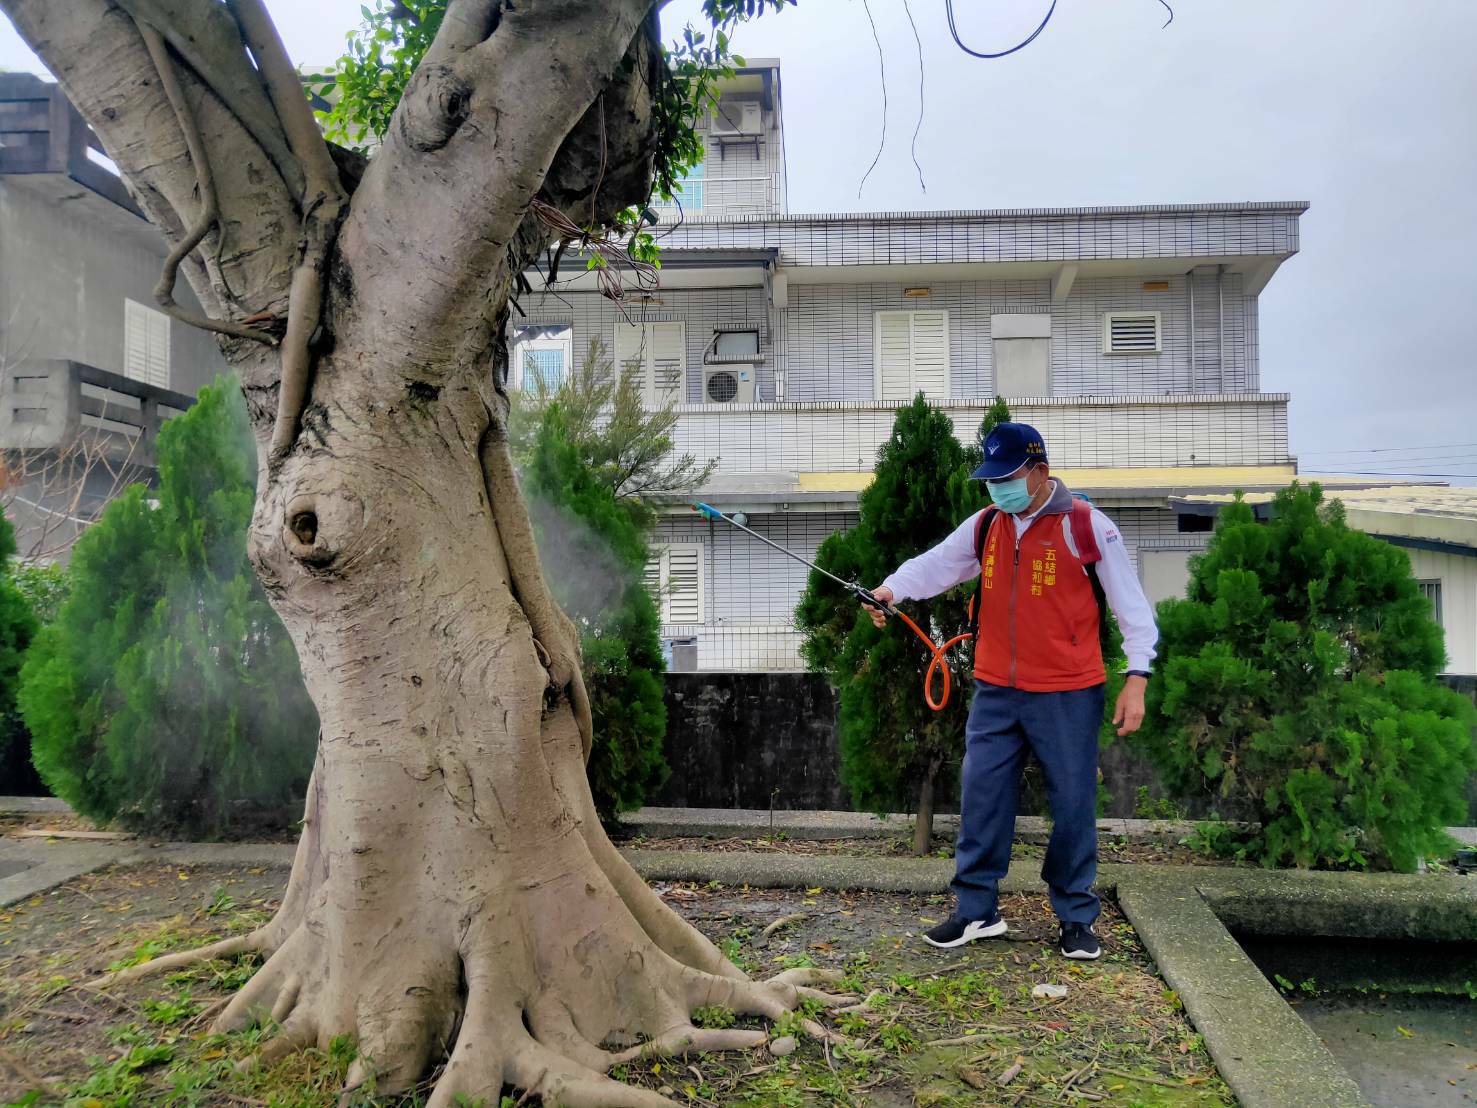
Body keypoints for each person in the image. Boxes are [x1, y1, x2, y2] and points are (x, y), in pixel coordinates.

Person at [863, 422, 1157, 960]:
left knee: (1071, 805)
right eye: (991, 479)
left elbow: (1132, 609)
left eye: (1008, 477)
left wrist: (1137, 678)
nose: (998, 489)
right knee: (982, 796)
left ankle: (1074, 915)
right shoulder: (986, 526)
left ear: (1040, 472)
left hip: (1068, 691)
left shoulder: (1088, 526)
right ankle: (977, 910)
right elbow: (937, 564)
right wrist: (891, 589)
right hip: (997, 688)